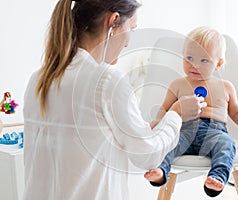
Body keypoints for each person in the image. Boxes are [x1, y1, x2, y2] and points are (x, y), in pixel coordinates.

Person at [22, 1, 207, 200]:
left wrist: (147, 128)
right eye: (132, 29)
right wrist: (177, 114)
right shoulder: (106, 80)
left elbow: (87, 140)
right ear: (113, 22)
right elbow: (147, 156)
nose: (128, 42)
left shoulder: (38, 79)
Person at [144, 26, 238, 197]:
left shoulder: (225, 87)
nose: (195, 65)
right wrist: (156, 124)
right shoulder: (178, 84)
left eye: (204, 60)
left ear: (218, 63)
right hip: (183, 130)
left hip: (214, 132)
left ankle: (216, 178)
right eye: (189, 58)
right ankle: (160, 171)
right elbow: (165, 109)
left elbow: (237, 112)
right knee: (167, 144)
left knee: (227, 145)